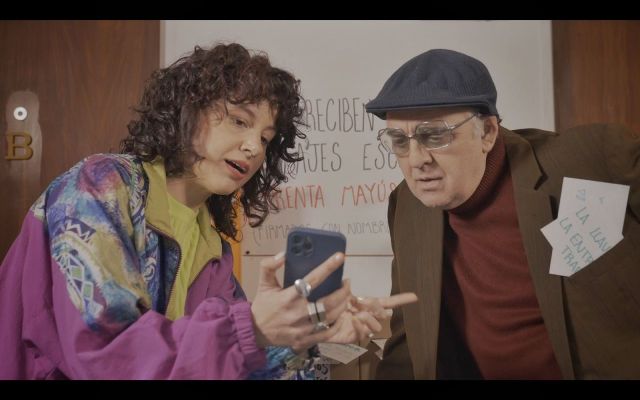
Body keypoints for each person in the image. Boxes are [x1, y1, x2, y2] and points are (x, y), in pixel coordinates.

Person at [0, 42, 417, 380]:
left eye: (266, 138)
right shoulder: (99, 187)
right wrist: (251, 327)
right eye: (239, 121)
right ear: (187, 110)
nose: (253, 148)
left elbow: (229, 364)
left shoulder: (211, 244)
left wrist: (310, 339)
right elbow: (107, 353)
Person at [364, 49, 640, 379]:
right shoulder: (407, 206)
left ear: (488, 133)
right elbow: (410, 343)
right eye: (399, 141)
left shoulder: (589, 162)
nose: (416, 159)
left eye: (435, 135)